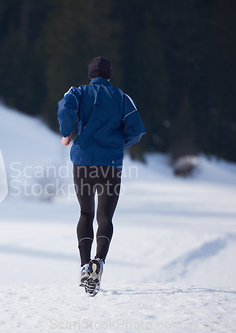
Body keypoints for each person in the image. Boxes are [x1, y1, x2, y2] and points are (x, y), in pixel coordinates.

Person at [57, 56, 146, 296]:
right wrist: (118, 144)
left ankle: (85, 266)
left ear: (90, 75)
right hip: (110, 165)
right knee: (104, 215)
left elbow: (65, 106)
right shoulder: (121, 97)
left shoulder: (78, 92)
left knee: (85, 213)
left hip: (83, 162)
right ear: (109, 75)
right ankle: (99, 261)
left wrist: (67, 133)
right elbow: (137, 129)